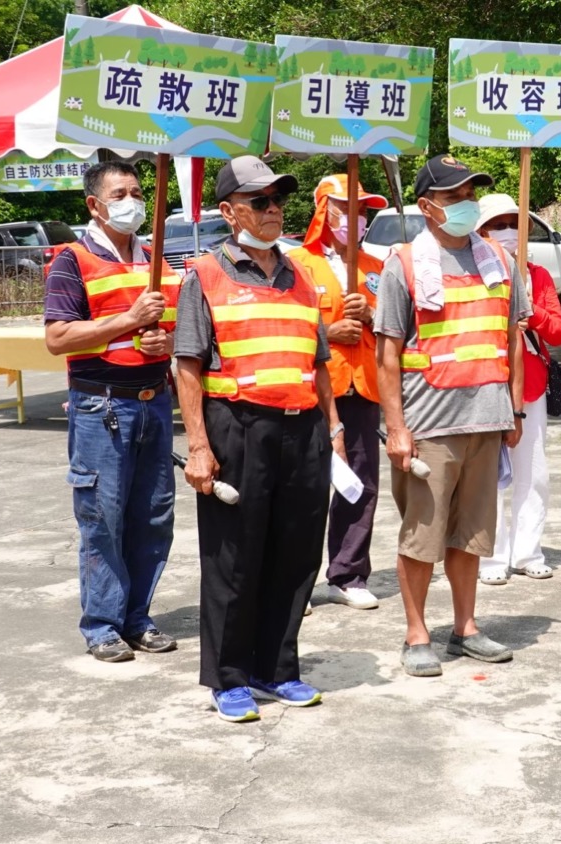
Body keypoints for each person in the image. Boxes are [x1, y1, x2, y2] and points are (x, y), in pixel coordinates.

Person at [175, 157, 345, 722]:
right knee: (234, 557)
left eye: (278, 201)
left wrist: (334, 429)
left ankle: (277, 668)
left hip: (303, 430)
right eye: (260, 201)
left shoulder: (301, 274)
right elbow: (188, 368)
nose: (274, 210)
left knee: (296, 554)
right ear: (228, 211)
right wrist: (199, 446)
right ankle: (229, 676)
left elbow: (320, 362)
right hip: (237, 427)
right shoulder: (205, 274)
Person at [374, 155, 529, 677]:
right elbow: (388, 352)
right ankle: (417, 633)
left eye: (471, 193)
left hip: (486, 419)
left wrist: (515, 408)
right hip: (429, 426)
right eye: (454, 196)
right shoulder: (405, 262)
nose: (467, 203)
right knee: (422, 538)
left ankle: (465, 627)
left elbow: (511, 340)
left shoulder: (501, 262)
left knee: (472, 535)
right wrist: (396, 428)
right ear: (426, 207)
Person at [43, 160, 179, 663]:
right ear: (94, 205)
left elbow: (172, 331)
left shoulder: (157, 260)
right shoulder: (71, 261)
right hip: (101, 406)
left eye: (138, 191)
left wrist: (162, 337)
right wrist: (127, 321)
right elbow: (58, 338)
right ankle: (102, 623)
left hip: (154, 401)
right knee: (102, 519)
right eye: (120, 193)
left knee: (154, 516)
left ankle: (137, 617)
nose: (133, 201)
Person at [288, 174, 388, 611]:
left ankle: (348, 572)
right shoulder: (298, 265)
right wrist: (329, 331)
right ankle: (294, 578)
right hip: (315, 388)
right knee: (305, 484)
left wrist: (370, 314)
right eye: (346, 208)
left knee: (362, 483)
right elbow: (287, 329)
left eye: (363, 209)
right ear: (323, 210)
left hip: (363, 385)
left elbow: (401, 329)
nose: (357, 217)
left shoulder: (376, 267)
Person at [474, 193, 561, 586]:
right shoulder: (471, 273)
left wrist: (532, 309)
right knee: (487, 477)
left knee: (534, 473)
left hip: (529, 387)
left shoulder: (538, 275)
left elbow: (560, 330)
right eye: (497, 226)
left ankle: (527, 550)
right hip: (483, 388)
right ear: (480, 231)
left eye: (514, 224)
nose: (508, 232)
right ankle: (491, 555)